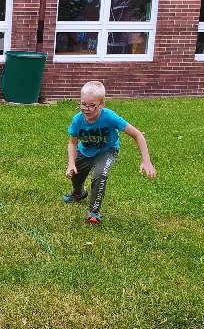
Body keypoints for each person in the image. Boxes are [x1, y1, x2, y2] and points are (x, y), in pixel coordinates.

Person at [64, 80, 157, 224]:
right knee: (75, 175)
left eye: (92, 106)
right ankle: (78, 193)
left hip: (107, 150)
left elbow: (137, 135)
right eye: (83, 104)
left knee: (100, 174)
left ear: (102, 104)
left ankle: (94, 212)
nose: (86, 109)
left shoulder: (110, 117)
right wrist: (71, 163)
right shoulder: (78, 119)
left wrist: (146, 161)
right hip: (85, 151)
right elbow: (72, 142)